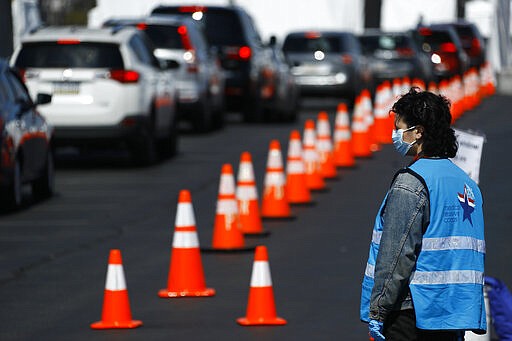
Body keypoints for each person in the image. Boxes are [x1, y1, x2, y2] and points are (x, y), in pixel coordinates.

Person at [360, 88, 486, 340]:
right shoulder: (467, 185)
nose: (396, 135)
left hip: (411, 310)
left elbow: (396, 254)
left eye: (400, 128)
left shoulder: (412, 183)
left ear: (418, 132)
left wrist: (378, 310)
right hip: (451, 312)